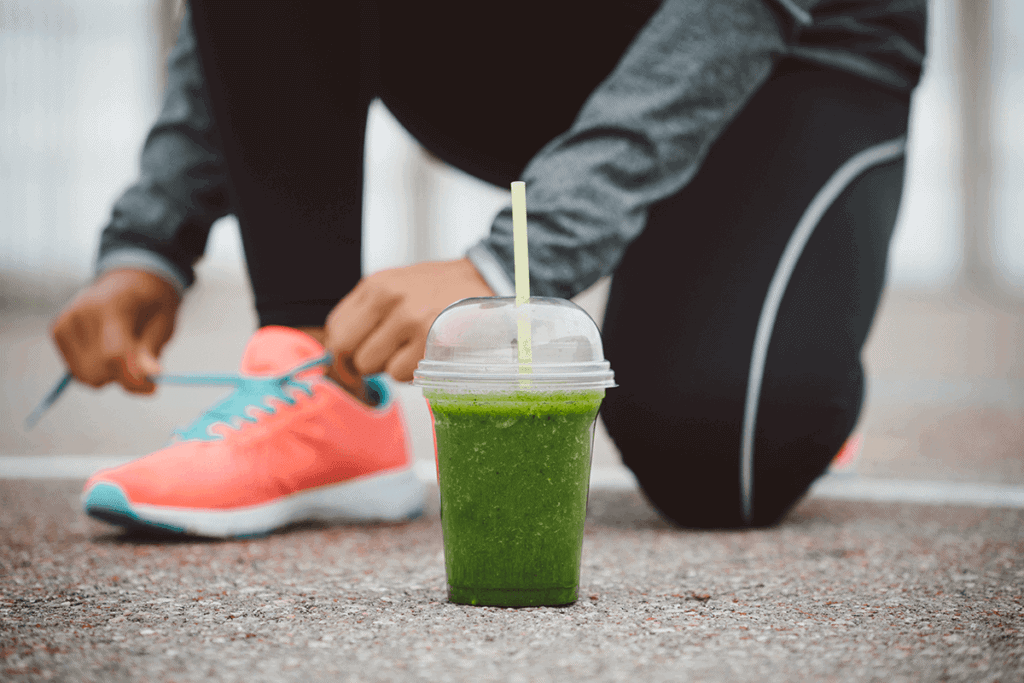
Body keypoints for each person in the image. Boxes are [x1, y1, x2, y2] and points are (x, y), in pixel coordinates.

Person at [50, 0, 926, 535]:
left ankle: (772, 308)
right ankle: (319, 385)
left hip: (794, 45)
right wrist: (154, 235)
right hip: (553, 39)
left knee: (721, 452)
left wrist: (508, 260)